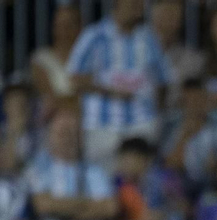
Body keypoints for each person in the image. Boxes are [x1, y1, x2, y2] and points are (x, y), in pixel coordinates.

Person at [68, 0, 172, 166]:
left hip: (142, 123)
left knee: (140, 187)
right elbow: (75, 79)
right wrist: (110, 91)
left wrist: (156, 114)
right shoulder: (94, 36)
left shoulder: (149, 38)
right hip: (102, 126)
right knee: (104, 186)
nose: (139, 5)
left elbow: (163, 81)